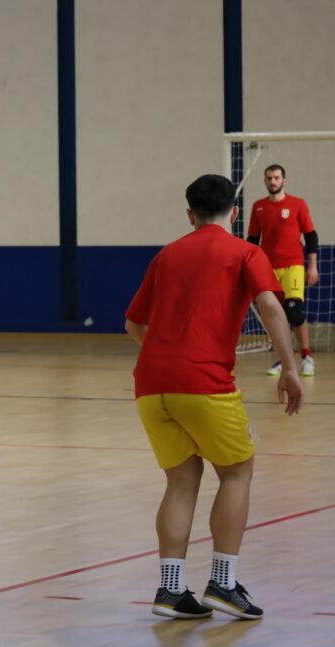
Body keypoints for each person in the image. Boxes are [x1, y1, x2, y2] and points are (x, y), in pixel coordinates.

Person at [125, 174, 303, 620]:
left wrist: (167, 358)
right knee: (237, 473)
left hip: (150, 384)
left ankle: (171, 590)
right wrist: (291, 368)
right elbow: (271, 306)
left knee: (181, 482)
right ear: (236, 213)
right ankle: (223, 584)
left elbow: (133, 324)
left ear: (190, 214)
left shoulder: (167, 254)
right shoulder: (246, 251)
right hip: (203, 383)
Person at [246, 164, 320, 376]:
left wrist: (313, 266)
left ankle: (307, 356)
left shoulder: (298, 204)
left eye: (277, 178)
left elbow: (311, 236)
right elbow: (252, 240)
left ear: (284, 181)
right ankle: (283, 359)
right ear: (265, 181)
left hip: (293, 266)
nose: (273, 181)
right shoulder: (258, 207)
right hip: (268, 268)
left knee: (294, 311)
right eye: (269, 178)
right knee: (275, 316)